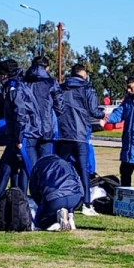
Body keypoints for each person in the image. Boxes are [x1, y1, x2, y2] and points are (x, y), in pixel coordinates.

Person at [52, 63, 103, 216]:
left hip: (62, 134)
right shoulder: (88, 89)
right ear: (84, 75)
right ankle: (87, 203)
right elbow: (93, 111)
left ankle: (57, 199)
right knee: (83, 170)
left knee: (60, 170)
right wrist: (102, 114)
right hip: (80, 134)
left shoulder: (60, 88)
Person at [0, 58, 37, 201]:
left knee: (11, 168)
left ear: (4, 74)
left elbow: (20, 114)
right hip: (23, 133)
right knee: (11, 168)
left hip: (21, 135)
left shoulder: (14, 88)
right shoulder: (20, 85)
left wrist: (18, 137)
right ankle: (14, 200)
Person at [29, 154, 82, 232]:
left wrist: (40, 203)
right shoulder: (67, 164)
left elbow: (33, 190)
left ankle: (57, 219)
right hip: (75, 197)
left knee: (39, 223)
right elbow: (79, 183)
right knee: (68, 195)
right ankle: (70, 216)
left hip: (55, 199)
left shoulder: (38, 166)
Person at [22, 55, 57, 163]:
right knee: (45, 164)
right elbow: (60, 105)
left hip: (29, 128)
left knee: (27, 165)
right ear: (46, 68)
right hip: (47, 126)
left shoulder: (24, 83)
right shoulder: (51, 82)